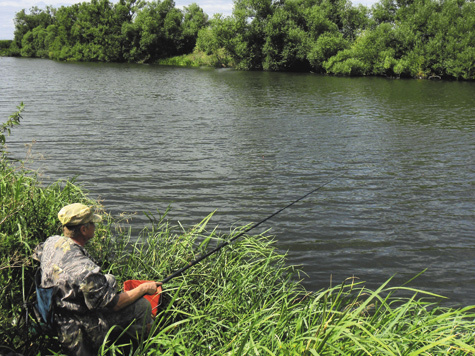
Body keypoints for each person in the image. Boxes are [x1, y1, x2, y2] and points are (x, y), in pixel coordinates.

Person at [33, 203, 162, 355]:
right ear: (84, 229)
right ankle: (146, 347)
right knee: (142, 306)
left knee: (110, 279)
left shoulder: (51, 242)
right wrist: (144, 288)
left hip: (52, 311)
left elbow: (37, 255)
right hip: (74, 328)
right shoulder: (85, 270)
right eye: (92, 223)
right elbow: (115, 305)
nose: (95, 226)